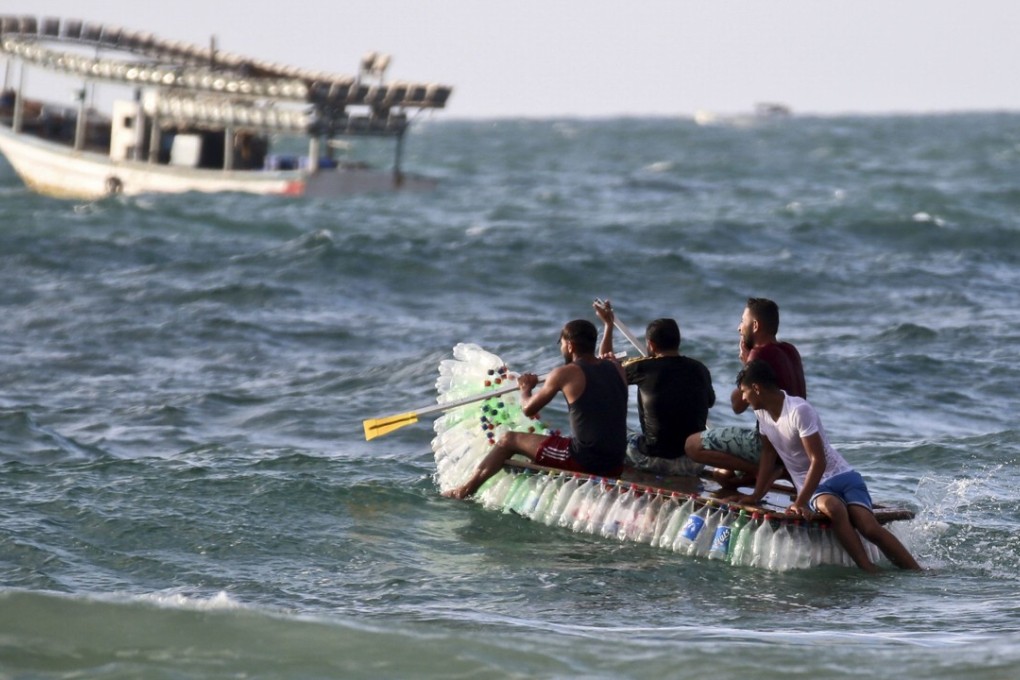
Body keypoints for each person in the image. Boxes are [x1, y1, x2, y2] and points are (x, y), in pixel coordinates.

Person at [735, 360, 921, 572]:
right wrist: (756, 495)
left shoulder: (798, 410)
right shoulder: (761, 414)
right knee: (834, 508)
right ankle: (868, 567)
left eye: (744, 391)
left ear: (756, 388)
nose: (743, 398)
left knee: (869, 527)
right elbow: (768, 455)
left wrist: (801, 502)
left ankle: (917, 572)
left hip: (843, 476)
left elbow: (819, 460)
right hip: (818, 487)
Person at [443, 319, 628, 500]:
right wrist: (609, 325)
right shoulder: (616, 367)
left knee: (508, 439)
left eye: (561, 344)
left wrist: (525, 388)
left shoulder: (565, 372)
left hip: (586, 459)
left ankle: (464, 490)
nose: (561, 348)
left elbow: (528, 409)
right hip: (616, 460)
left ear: (570, 346)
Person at [685, 297, 806, 485]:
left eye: (743, 321)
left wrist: (746, 363)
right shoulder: (791, 350)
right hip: (794, 447)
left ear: (755, 325)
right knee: (723, 476)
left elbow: (737, 405)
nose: (739, 328)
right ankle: (767, 472)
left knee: (692, 445)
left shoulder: (759, 354)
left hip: (769, 447)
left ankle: (767, 471)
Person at [594, 301, 715, 476]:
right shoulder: (700, 369)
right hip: (693, 462)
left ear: (651, 344)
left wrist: (608, 325)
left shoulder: (642, 367)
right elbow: (710, 403)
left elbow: (606, 370)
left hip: (654, 460)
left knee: (617, 437)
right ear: (677, 342)